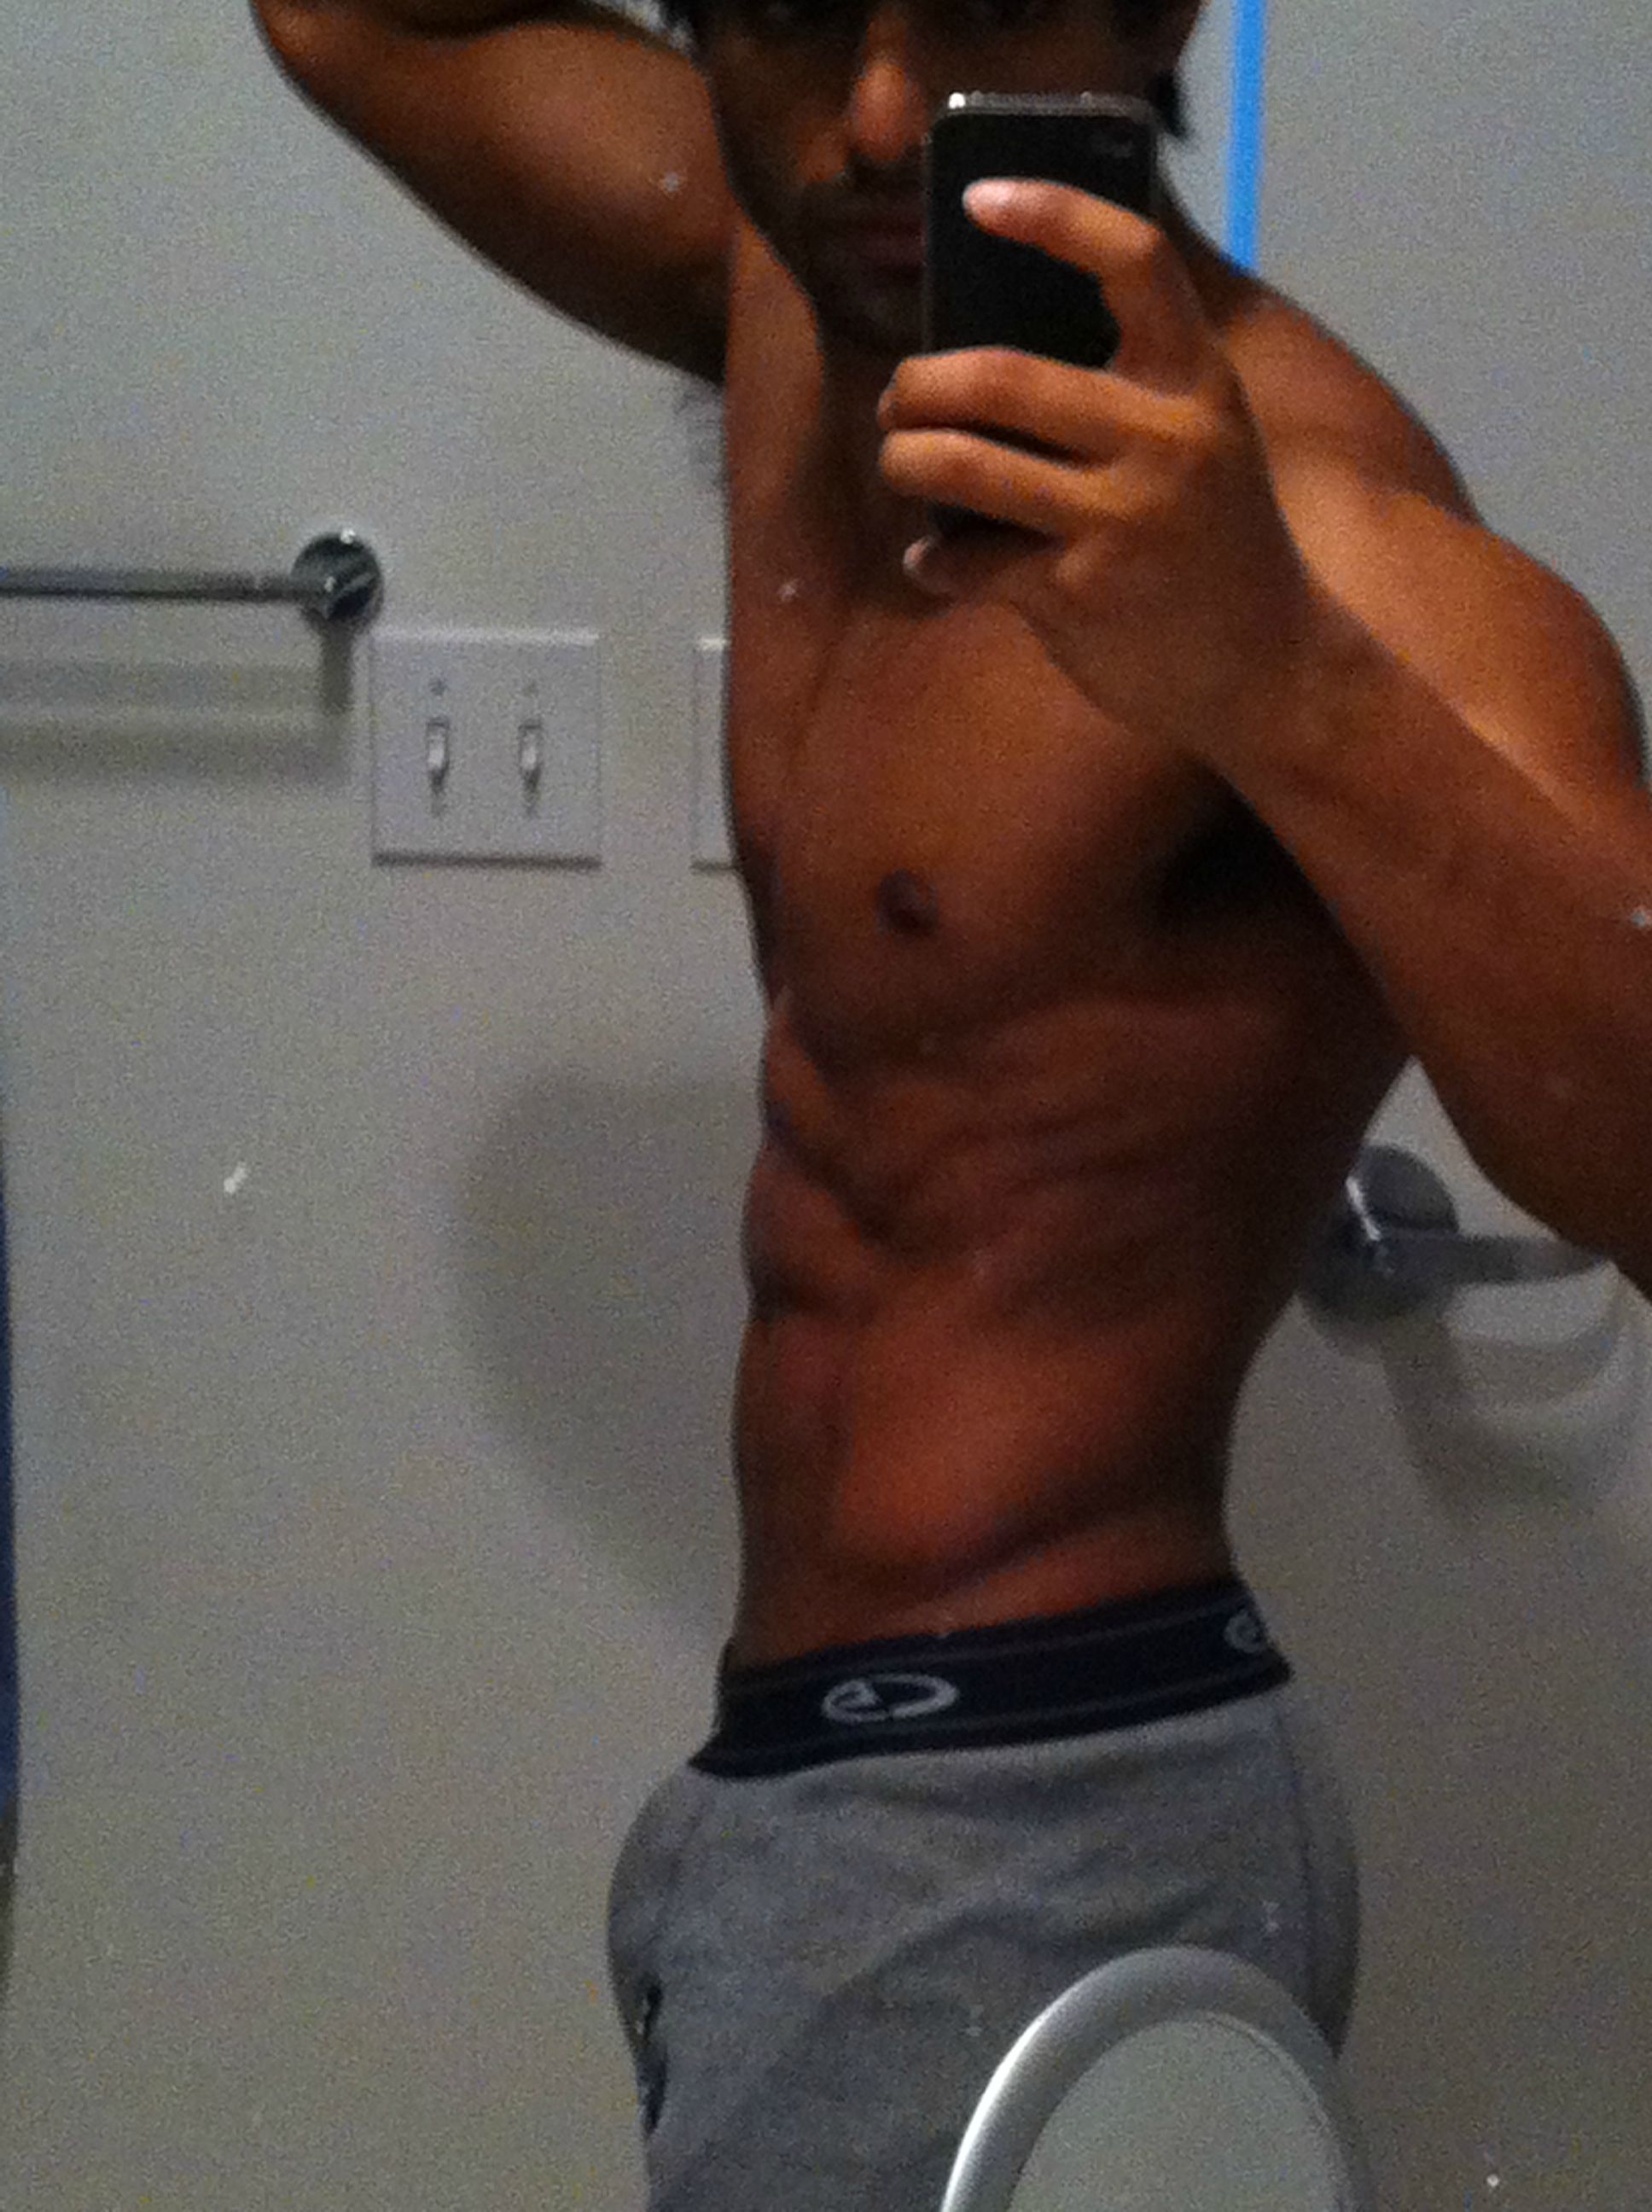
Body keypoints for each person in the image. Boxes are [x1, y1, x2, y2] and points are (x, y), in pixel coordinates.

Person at [253, 2, 1651, 2204]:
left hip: (1047, 1804)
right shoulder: (793, 299)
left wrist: (1279, 680)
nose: (887, 111)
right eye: (806, 12)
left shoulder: (1324, 530)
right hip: (800, 1802)